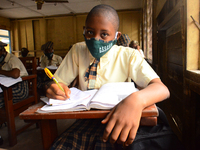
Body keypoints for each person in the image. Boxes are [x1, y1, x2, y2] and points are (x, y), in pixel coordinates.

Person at [46, 4, 170, 149]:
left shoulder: (128, 55)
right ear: (84, 30)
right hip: (86, 120)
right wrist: (54, 87)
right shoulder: (77, 50)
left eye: (104, 34)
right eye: (90, 32)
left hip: (119, 117)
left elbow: (162, 89)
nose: (95, 39)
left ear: (117, 36)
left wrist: (136, 100)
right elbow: (58, 83)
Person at [0, 41, 29, 108]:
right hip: (7, 86)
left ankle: (6, 117)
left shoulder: (12, 59)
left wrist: (0, 71)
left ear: (3, 51)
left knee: (2, 97)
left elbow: (15, 74)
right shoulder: (2, 61)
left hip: (20, 88)